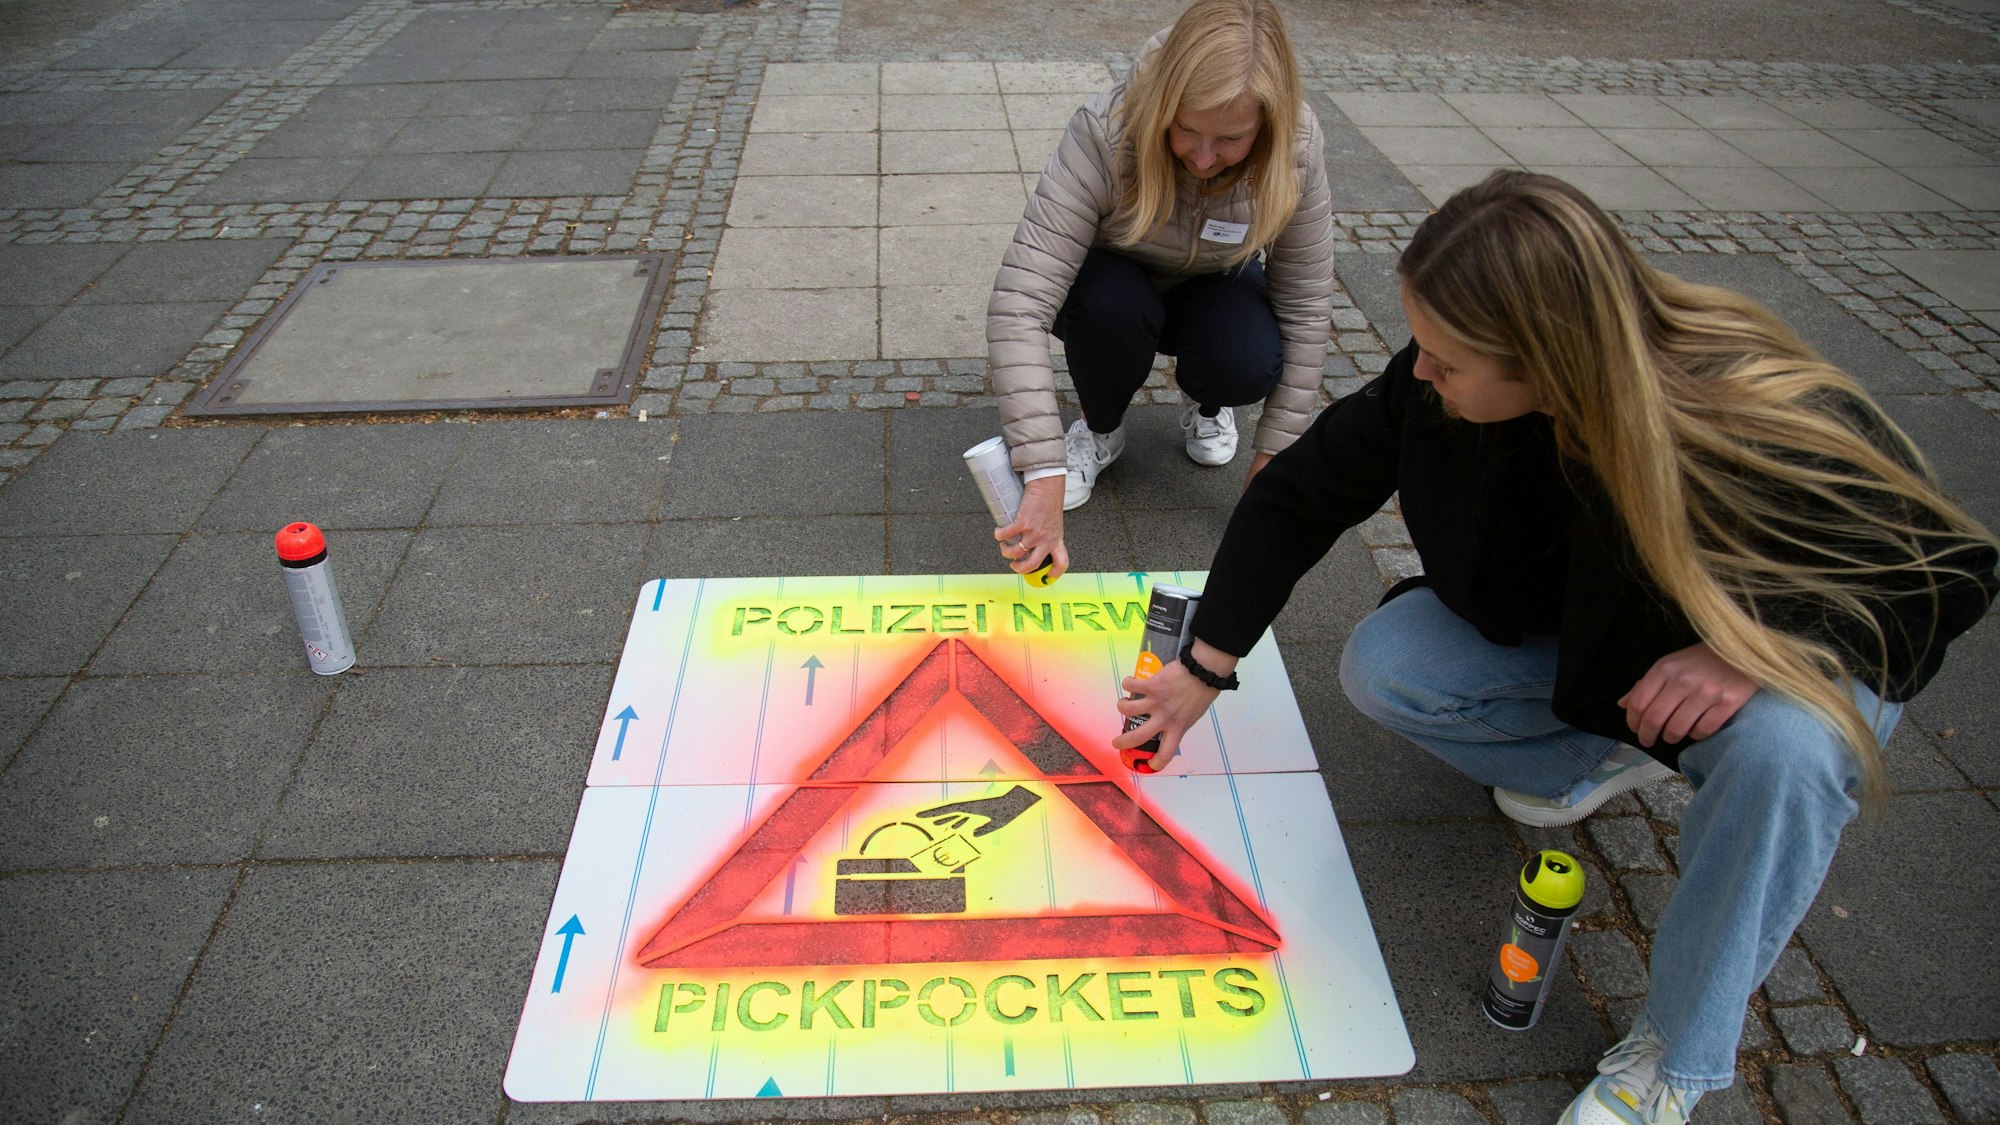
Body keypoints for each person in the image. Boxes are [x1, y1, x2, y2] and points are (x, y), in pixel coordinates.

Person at [1113, 170, 1999, 1125]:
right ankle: (1615, 748)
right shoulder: (1441, 382)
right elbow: (1303, 492)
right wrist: (1205, 666)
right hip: (1605, 648)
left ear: (1547, 360)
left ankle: (1678, 1053)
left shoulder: (1745, 403)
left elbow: (1944, 570)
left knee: (1788, 758)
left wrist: (1752, 653)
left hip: (1768, 665)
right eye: (1425, 347)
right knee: (1390, 665)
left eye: (1449, 362)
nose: (1421, 374)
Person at [986, 0, 1335, 582]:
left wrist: (1276, 462)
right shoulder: (1107, 130)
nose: (1203, 158)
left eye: (1229, 140)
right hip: (1116, 281)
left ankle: (1209, 404)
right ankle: (1099, 429)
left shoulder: (1297, 146)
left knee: (1246, 358)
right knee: (1111, 309)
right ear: (1163, 104)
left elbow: (1305, 301)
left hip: (1217, 283)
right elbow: (1020, 301)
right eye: (1186, 130)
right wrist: (1040, 471)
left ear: (1267, 126)